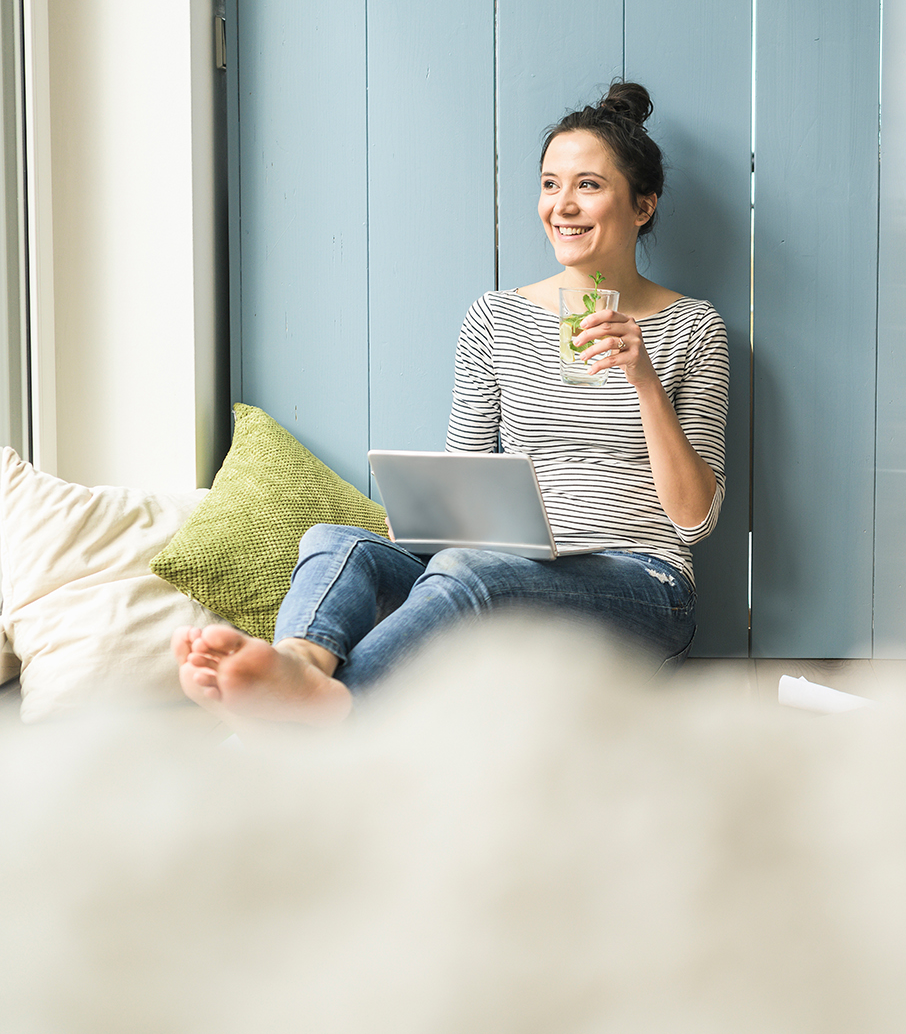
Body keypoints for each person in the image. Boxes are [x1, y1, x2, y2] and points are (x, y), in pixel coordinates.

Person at [172, 81, 730, 727]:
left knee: (470, 569)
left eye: (588, 185)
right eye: (550, 184)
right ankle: (298, 664)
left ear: (643, 205)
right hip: (513, 562)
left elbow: (694, 521)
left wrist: (644, 381)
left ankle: (322, 718)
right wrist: (416, 522)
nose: (562, 205)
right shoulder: (495, 318)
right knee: (335, 543)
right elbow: (460, 485)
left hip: (645, 584)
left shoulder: (694, 327)